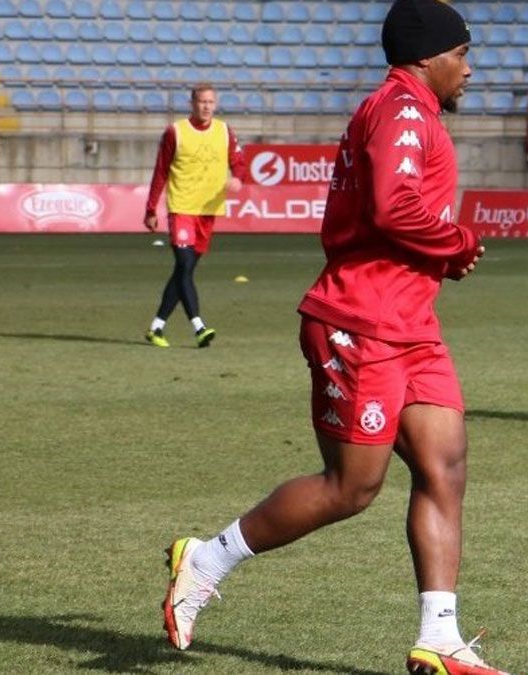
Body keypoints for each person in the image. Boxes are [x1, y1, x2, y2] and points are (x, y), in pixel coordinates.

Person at [160, 2, 509, 674]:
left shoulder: (415, 111)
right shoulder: (402, 110)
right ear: (427, 57)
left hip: (410, 324)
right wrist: (457, 241)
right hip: (360, 321)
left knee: (446, 465)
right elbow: (392, 205)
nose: (469, 68)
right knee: (352, 486)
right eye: (462, 54)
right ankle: (207, 557)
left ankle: (439, 636)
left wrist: (440, 256)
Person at [143, 83, 247, 349]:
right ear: (192, 103)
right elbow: (161, 171)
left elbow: (239, 163)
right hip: (182, 208)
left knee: (183, 270)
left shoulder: (224, 131)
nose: (206, 107)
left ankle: (157, 327)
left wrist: (238, 179)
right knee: (185, 266)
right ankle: (199, 326)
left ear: (215, 104)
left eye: (210, 102)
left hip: (208, 211)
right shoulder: (176, 132)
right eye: (201, 102)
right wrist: (151, 208)